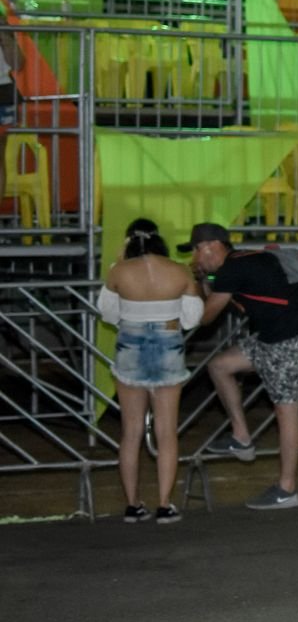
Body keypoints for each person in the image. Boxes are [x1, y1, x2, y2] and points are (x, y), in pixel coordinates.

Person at [183, 222, 298, 511]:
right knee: (220, 366)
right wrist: (207, 280)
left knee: (286, 410)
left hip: (287, 339)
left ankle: (287, 489)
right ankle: (241, 437)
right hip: (274, 337)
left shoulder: (233, 269)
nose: (195, 257)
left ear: (211, 246)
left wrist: (194, 286)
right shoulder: (243, 260)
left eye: (196, 250)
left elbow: (206, 316)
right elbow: (223, 295)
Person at [97, 218, 202, 524]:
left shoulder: (119, 271)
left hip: (130, 345)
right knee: (166, 432)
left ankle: (133, 505)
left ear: (128, 240)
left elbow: (108, 313)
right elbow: (192, 319)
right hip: (169, 344)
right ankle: (165, 504)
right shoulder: (179, 271)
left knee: (130, 432)